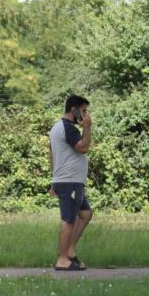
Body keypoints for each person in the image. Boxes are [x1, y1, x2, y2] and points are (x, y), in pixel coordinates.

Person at [49, 95, 93, 270]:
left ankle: (70, 251)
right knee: (69, 220)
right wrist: (87, 128)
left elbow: (52, 155)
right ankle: (62, 260)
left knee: (86, 214)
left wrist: (54, 179)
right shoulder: (68, 128)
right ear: (73, 109)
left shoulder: (56, 127)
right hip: (70, 182)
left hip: (68, 181)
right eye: (83, 111)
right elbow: (83, 147)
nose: (85, 115)